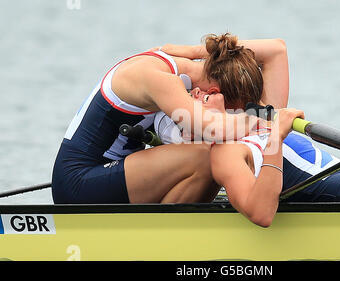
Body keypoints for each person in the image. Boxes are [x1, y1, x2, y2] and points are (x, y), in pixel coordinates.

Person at [154, 88, 340, 228]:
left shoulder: (253, 116)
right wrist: (275, 139)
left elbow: (276, 50)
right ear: (187, 128)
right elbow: (260, 214)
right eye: (188, 97)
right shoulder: (225, 153)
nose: (196, 90)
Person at [51, 33, 288, 204]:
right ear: (215, 92)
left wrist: (198, 50)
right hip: (78, 183)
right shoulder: (160, 79)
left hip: (116, 172)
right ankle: (163, 240)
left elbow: (277, 50)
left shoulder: (182, 66)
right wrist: (266, 117)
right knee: (207, 157)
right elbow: (216, 130)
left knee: (210, 152)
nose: (230, 114)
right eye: (232, 110)